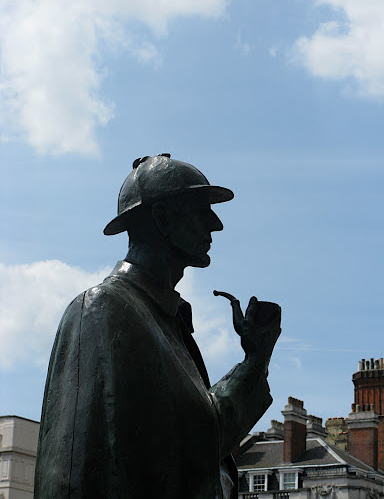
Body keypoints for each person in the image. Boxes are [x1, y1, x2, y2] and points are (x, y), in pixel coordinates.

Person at [34, 154, 281, 499]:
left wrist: (255, 360)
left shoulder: (164, 320)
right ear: (163, 218)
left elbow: (196, 436)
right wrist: (253, 366)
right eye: (200, 209)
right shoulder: (104, 308)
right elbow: (69, 470)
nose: (215, 223)